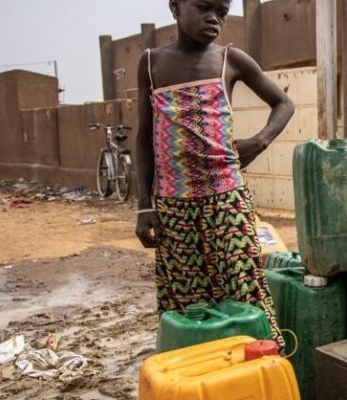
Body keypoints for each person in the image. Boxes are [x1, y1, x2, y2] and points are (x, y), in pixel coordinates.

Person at [134, 0, 294, 345]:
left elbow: (284, 102)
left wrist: (260, 141)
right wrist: (144, 207)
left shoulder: (229, 59)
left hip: (226, 199)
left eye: (221, 12)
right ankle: (202, 372)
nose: (214, 19)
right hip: (173, 205)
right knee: (188, 303)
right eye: (204, 8)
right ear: (175, 7)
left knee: (244, 287)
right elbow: (144, 137)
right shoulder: (151, 63)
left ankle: (262, 366)